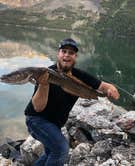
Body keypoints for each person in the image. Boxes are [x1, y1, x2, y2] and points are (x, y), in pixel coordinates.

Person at [24, 38, 120, 166]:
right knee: (61, 149)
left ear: (75, 57)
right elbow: (38, 107)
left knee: (50, 152)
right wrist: (43, 84)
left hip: (55, 124)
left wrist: (111, 89)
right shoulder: (45, 74)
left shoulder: (79, 75)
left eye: (71, 53)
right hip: (36, 120)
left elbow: (103, 86)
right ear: (58, 54)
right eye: (64, 51)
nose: (67, 55)